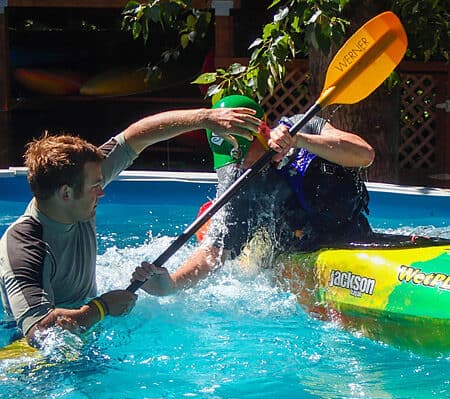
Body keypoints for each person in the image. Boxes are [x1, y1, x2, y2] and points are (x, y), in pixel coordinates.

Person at [0, 105, 262, 346]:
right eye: (95, 187)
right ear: (66, 194)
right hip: (36, 359)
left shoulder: (76, 195)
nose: (101, 193)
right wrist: (101, 308)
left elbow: (135, 137)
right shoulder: (24, 247)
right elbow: (39, 333)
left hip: (87, 330)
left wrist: (204, 119)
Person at [131, 94, 375, 295]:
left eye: (242, 151)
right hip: (300, 255)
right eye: (232, 156)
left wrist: (299, 141)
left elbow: (365, 155)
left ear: (262, 133)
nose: (239, 163)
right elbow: (213, 254)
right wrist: (170, 284)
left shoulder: (302, 126)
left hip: (354, 236)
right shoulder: (238, 183)